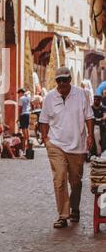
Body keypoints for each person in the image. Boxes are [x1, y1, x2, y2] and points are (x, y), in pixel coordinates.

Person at [39, 67, 94, 229]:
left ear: (70, 80)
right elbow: (44, 120)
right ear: (56, 82)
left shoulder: (81, 94)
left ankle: (74, 208)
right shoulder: (49, 97)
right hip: (56, 144)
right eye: (59, 80)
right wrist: (45, 139)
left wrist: (90, 135)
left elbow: (89, 116)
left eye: (65, 79)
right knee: (60, 178)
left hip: (77, 146)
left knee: (76, 181)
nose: (62, 83)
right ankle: (63, 215)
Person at [17, 88, 31, 154]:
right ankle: (29, 144)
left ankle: (24, 147)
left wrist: (19, 116)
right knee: (27, 129)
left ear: (21, 93)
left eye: (19, 93)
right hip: (28, 114)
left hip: (23, 114)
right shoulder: (27, 97)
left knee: (23, 130)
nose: (18, 95)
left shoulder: (21, 98)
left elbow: (20, 108)